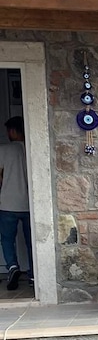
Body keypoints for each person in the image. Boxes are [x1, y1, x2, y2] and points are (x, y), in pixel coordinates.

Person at [0, 116, 32, 290]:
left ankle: (12, 266)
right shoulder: (31, 149)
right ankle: (34, 274)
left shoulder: (4, 150)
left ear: (12, 131)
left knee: (7, 239)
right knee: (31, 240)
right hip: (29, 204)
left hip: (8, 202)